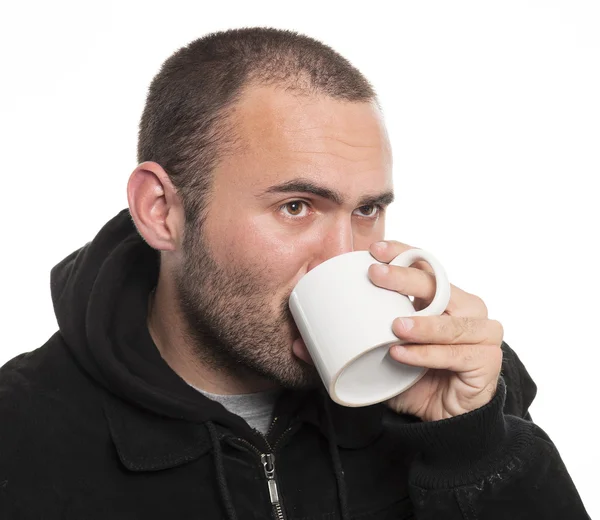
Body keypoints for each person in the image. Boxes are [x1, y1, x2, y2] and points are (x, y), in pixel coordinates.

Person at [0, 28, 589, 519]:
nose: (342, 257)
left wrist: (470, 445)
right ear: (162, 211)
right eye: (296, 207)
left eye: (366, 210)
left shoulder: (464, 391)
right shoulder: (21, 436)